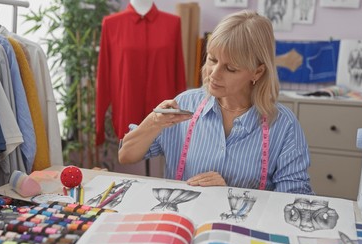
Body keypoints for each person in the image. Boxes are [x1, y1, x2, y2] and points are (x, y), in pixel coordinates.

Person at [118, 10, 313, 195]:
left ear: (258, 72)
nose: (214, 73)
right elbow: (126, 156)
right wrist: (154, 122)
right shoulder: (184, 105)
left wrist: (229, 194)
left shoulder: (283, 125)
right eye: (212, 59)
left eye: (231, 68)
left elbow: (293, 198)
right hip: (184, 221)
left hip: (244, 228)